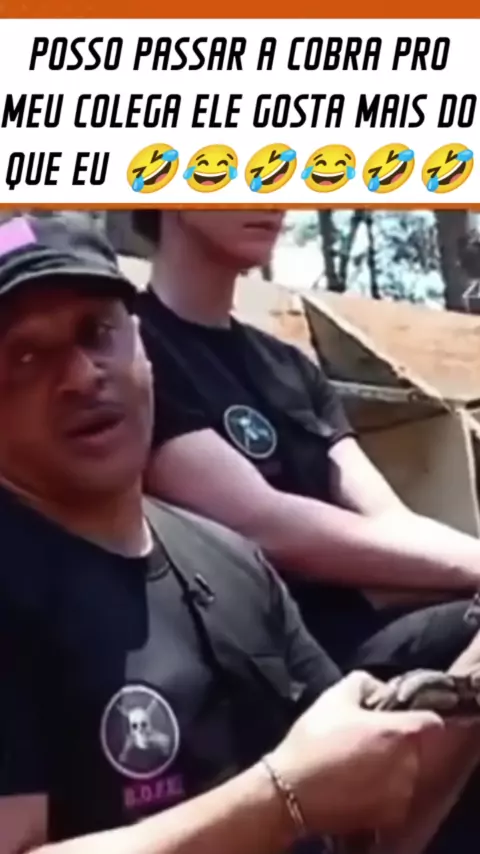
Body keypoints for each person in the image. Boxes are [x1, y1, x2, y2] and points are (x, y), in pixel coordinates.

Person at [0, 212, 450, 854]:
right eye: (24, 356)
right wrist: (280, 799)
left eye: (96, 332)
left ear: (141, 345)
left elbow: (372, 819)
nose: (80, 375)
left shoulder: (232, 561)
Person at [135, 209, 480, 673]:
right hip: (256, 667)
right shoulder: (135, 353)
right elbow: (265, 525)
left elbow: (390, 520)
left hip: (364, 639)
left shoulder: (290, 366)